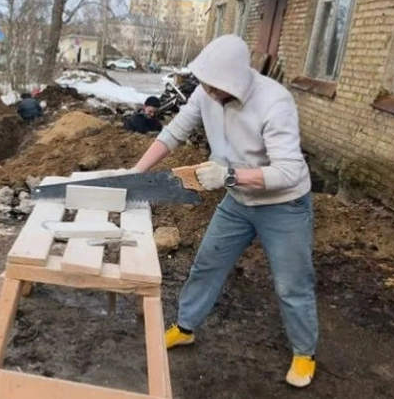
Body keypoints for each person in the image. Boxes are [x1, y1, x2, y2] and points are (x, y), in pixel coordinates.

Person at [124, 35, 318, 388]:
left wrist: (229, 175)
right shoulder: (206, 91)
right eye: (206, 86)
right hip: (238, 201)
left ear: (234, 81)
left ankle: (304, 353)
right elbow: (173, 134)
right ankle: (185, 327)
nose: (209, 93)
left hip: (283, 204)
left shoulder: (275, 102)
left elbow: (290, 171)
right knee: (207, 263)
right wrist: (134, 174)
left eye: (216, 88)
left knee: (292, 284)